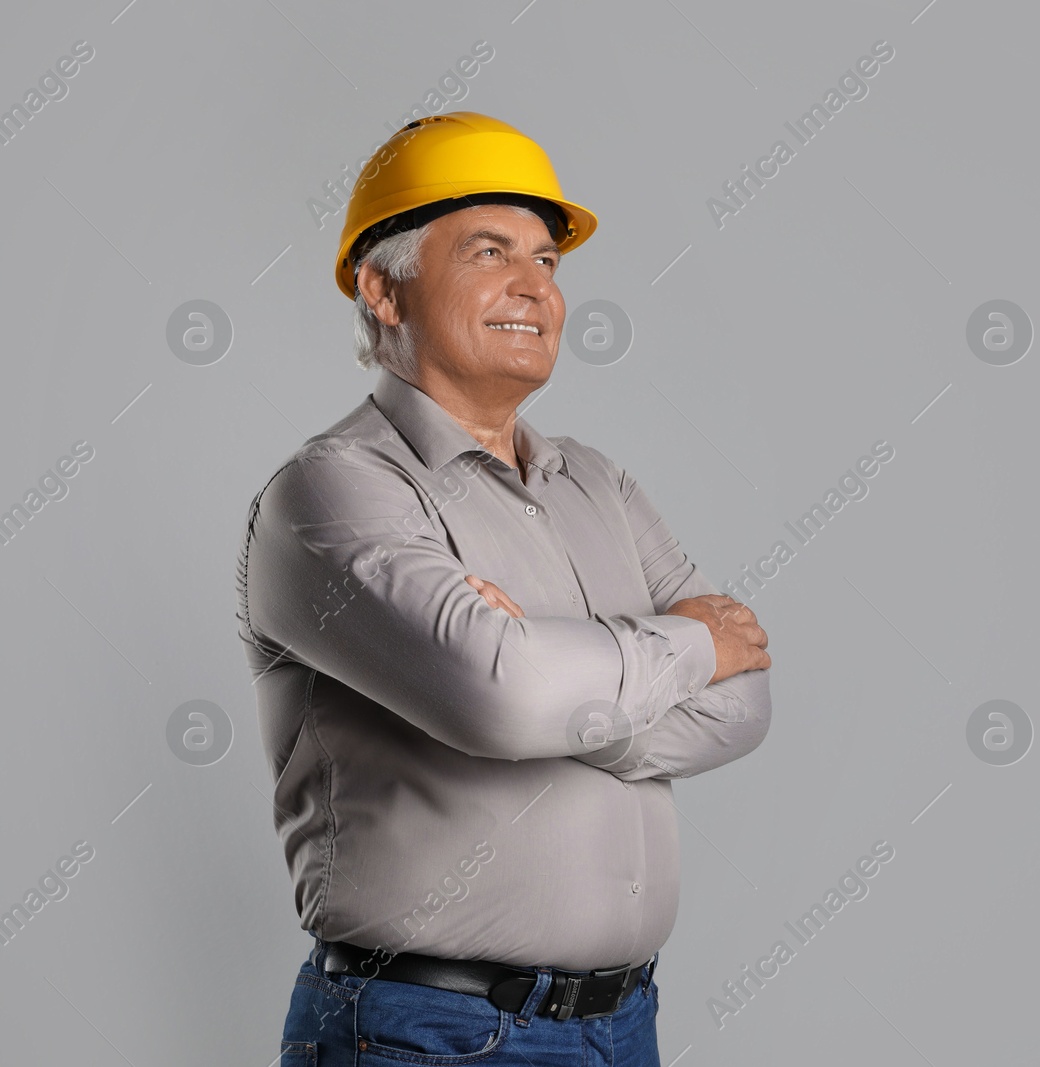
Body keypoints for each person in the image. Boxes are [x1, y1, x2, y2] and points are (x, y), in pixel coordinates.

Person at [234, 111, 773, 1066]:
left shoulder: (597, 483)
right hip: (427, 1032)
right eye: (490, 252)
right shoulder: (331, 492)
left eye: (549, 261)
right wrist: (674, 649)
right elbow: (509, 697)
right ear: (381, 288)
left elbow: (745, 703)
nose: (536, 288)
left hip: (624, 1025)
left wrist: (554, 681)